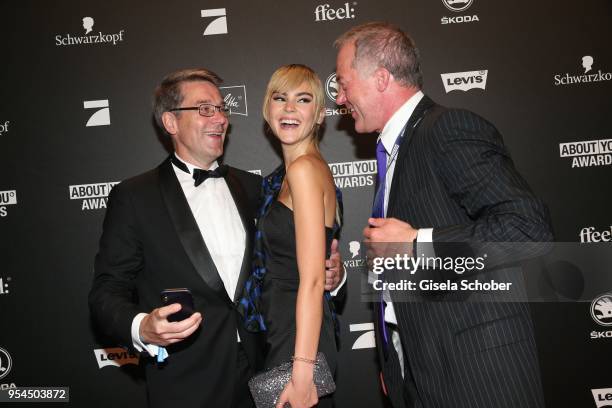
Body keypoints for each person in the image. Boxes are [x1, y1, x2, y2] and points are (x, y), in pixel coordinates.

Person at [89, 68, 343, 408]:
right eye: (205, 109)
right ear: (171, 122)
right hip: (189, 382)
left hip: (267, 367)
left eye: (222, 108)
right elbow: (106, 292)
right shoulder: (135, 197)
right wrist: (142, 327)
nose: (220, 118)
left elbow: (293, 263)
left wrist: (334, 277)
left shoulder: (255, 188)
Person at [334, 22, 553, 408]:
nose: (339, 98)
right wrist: (396, 359)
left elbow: (527, 228)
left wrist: (417, 243)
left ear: (381, 78)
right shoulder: (394, 151)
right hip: (421, 373)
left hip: (479, 378)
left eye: (343, 83)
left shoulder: (446, 129)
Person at [239, 64, 340, 408]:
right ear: (267, 109)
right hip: (286, 329)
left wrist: (301, 373)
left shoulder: (304, 170)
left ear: (321, 115)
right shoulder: (289, 174)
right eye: (280, 98)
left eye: (303, 99)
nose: (289, 108)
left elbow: (312, 281)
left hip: (298, 341)